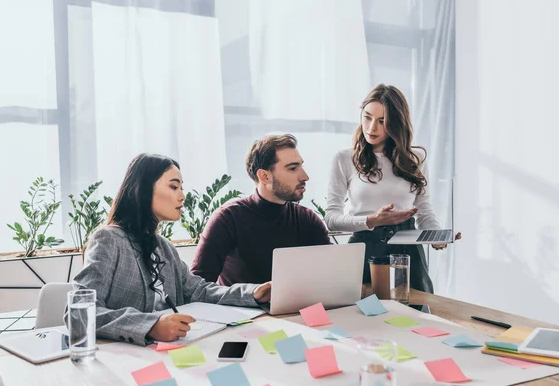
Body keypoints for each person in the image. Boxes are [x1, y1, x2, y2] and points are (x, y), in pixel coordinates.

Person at [68, 153, 271, 346]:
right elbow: (79, 312)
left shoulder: (164, 247)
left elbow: (199, 290)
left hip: (171, 351)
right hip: (126, 358)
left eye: (182, 187)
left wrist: (253, 293)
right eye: (174, 187)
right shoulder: (108, 239)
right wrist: (150, 326)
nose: (182, 196)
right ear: (143, 189)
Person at [325, 84, 460, 293]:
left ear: (396, 123)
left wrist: (436, 236)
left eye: (382, 121)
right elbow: (331, 220)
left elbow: (423, 209)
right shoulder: (344, 159)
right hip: (363, 250)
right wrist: (370, 221)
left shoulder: (415, 158)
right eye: (367, 117)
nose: (371, 128)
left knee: (414, 320)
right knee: (362, 318)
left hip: (408, 251)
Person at [190, 134, 331, 285]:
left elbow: (331, 273)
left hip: (300, 307)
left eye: (301, 166)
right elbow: (197, 286)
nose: (304, 176)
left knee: (351, 309)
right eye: (292, 168)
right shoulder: (227, 218)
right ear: (264, 176)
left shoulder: (307, 219)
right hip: (240, 308)